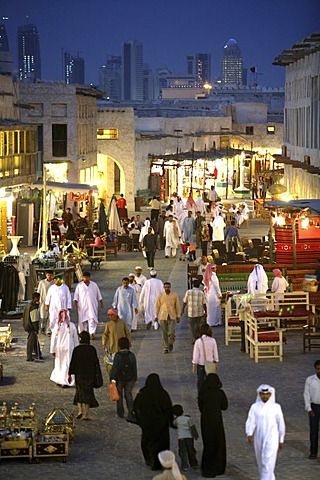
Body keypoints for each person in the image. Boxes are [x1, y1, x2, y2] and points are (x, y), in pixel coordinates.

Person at [133, 373, 173, 471]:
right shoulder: (163, 394)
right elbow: (169, 409)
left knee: (148, 443)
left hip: (147, 425)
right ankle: (160, 462)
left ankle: (149, 459)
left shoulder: (143, 393)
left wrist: (141, 419)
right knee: (161, 444)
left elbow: (136, 406)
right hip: (161, 426)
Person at [246, 384, 285, 480]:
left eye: (267, 394)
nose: (265, 396)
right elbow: (251, 420)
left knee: (267, 461)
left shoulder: (276, 407)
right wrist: (249, 433)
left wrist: (281, 439)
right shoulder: (254, 407)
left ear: (270, 394)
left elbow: (281, 423)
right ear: (259, 394)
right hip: (259, 437)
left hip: (272, 437)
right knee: (261, 462)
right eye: (263, 394)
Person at [198, 373, 228, 478]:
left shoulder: (203, 393)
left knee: (208, 443)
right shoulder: (219, 393)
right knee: (217, 443)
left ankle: (207, 467)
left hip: (205, 421)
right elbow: (225, 406)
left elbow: (200, 407)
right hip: (216, 421)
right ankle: (218, 467)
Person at [68, 331, 99, 420]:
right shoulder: (92, 349)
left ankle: (80, 410)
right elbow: (95, 362)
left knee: (79, 392)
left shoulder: (77, 349)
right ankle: (86, 414)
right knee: (89, 393)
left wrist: (70, 374)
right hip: (89, 374)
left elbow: (73, 362)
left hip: (79, 375)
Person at [50, 308, 79, 387]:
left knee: (59, 364)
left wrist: (52, 350)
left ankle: (60, 380)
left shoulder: (56, 327)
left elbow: (53, 340)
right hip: (69, 348)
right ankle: (65, 380)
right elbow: (75, 338)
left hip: (59, 349)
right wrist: (77, 348)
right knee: (67, 364)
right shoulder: (71, 326)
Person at [110, 337, 137, 419]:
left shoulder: (117, 356)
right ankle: (131, 411)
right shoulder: (132, 355)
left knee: (120, 395)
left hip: (120, 378)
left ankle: (120, 412)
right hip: (130, 378)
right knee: (128, 394)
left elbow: (114, 368)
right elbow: (134, 367)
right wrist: (135, 378)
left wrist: (112, 378)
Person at [74, 271, 104, 338]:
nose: (86, 279)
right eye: (84, 277)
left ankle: (91, 333)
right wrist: (75, 305)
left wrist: (101, 302)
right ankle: (82, 333)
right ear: (82, 278)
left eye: (87, 277)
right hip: (82, 306)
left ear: (89, 277)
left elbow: (98, 295)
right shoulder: (79, 286)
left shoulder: (94, 285)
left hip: (92, 305)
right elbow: (76, 297)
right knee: (82, 321)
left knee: (92, 319)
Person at [155, 282, 181, 354]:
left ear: (170, 287)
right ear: (163, 287)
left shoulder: (174, 295)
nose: (167, 289)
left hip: (172, 316)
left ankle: (171, 343)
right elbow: (157, 306)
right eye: (165, 287)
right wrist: (156, 316)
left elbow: (177, 306)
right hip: (163, 316)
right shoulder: (160, 296)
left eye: (168, 287)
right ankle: (165, 347)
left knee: (171, 332)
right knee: (164, 333)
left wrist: (178, 316)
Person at [192, 323, 219, 392]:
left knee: (200, 381)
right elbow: (215, 353)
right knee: (210, 380)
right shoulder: (213, 340)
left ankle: (201, 394)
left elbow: (196, 355)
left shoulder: (198, 341)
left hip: (201, 364)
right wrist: (216, 362)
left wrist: (194, 365)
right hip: (210, 363)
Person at [172, 405, 198, 472]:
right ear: (182, 411)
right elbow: (192, 427)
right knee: (191, 450)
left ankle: (184, 466)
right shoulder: (188, 418)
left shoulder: (177, 420)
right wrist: (195, 435)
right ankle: (194, 464)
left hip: (181, 438)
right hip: (189, 437)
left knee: (183, 452)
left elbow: (174, 424)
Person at [303, 359, 320, 459]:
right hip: (314, 407)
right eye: (318, 369)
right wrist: (308, 408)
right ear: (315, 369)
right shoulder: (310, 380)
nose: (319, 371)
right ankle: (313, 452)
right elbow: (306, 394)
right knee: (313, 431)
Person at [181, 279, 207, 344]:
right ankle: (199, 337)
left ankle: (193, 338)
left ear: (192, 285)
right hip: (199, 312)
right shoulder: (201, 293)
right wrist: (205, 312)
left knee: (192, 326)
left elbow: (185, 301)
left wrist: (183, 309)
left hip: (191, 312)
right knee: (199, 326)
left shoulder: (188, 292)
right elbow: (204, 303)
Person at [23, 292, 42, 362]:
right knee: (31, 342)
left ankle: (38, 354)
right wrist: (36, 329)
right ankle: (29, 356)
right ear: (36, 298)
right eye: (38, 298)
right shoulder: (33, 307)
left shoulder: (28, 305)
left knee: (34, 341)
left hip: (28, 325)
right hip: (31, 327)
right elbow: (34, 320)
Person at [37, 270, 54, 335]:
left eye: (50, 275)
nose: (49, 276)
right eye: (48, 275)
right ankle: (42, 327)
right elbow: (38, 291)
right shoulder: (42, 282)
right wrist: (38, 300)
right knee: (43, 316)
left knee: (50, 316)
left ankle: (48, 330)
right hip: (43, 301)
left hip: (51, 302)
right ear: (46, 275)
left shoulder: (53, 283)